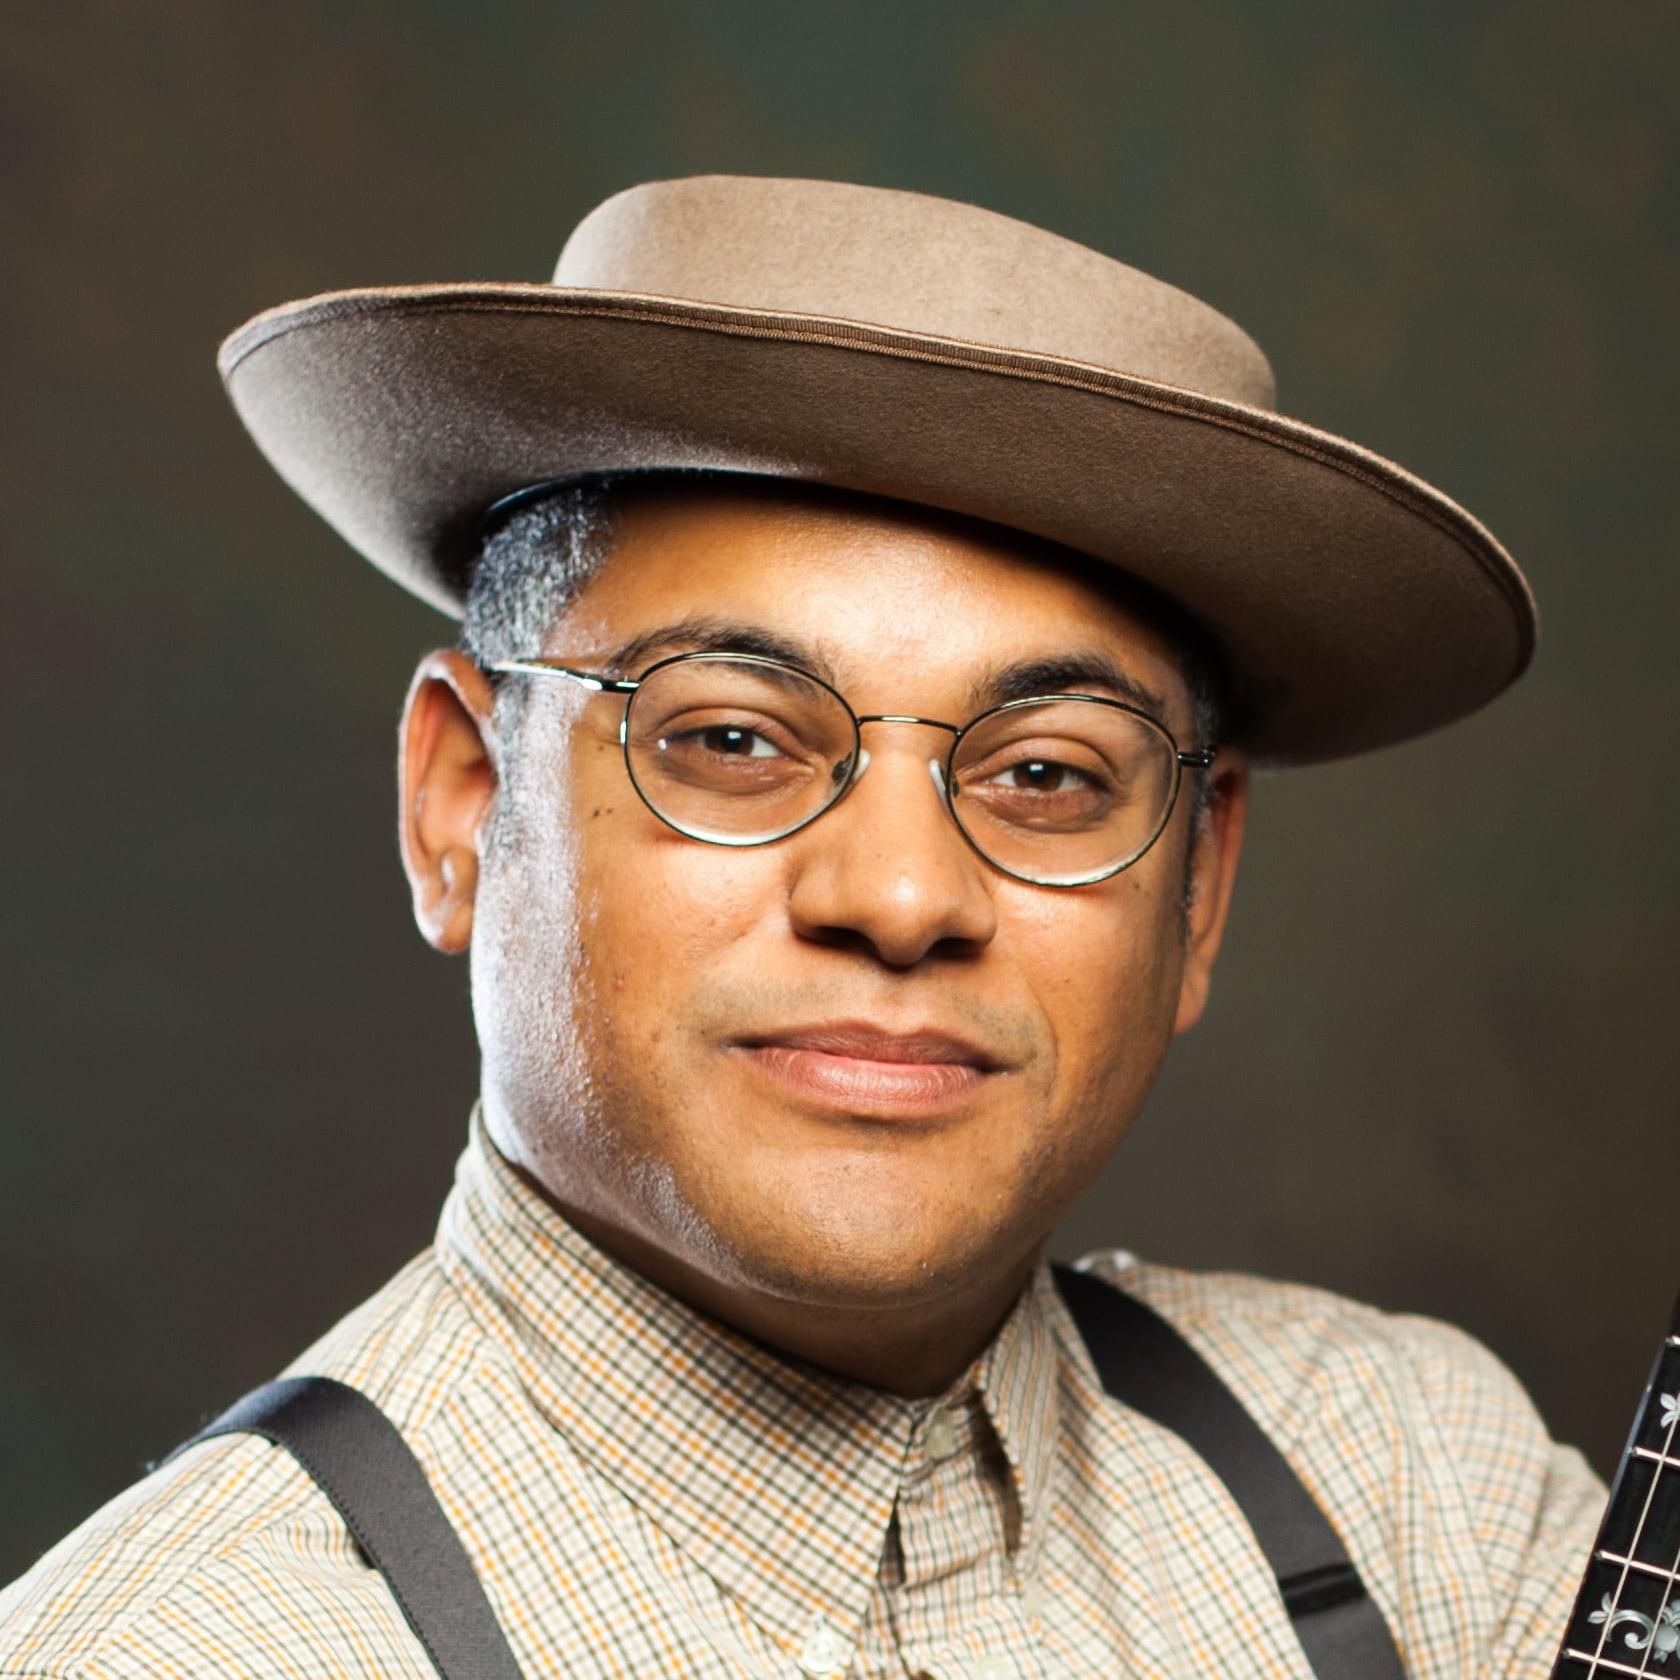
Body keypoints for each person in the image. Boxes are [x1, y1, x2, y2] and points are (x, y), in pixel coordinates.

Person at [0, 175, 1602, 1679]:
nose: (901, 898)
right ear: (464, 802)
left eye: (1049, 771)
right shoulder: (195, 1648)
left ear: (1201, 892)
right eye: (733, 741)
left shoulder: (1419, 1502)